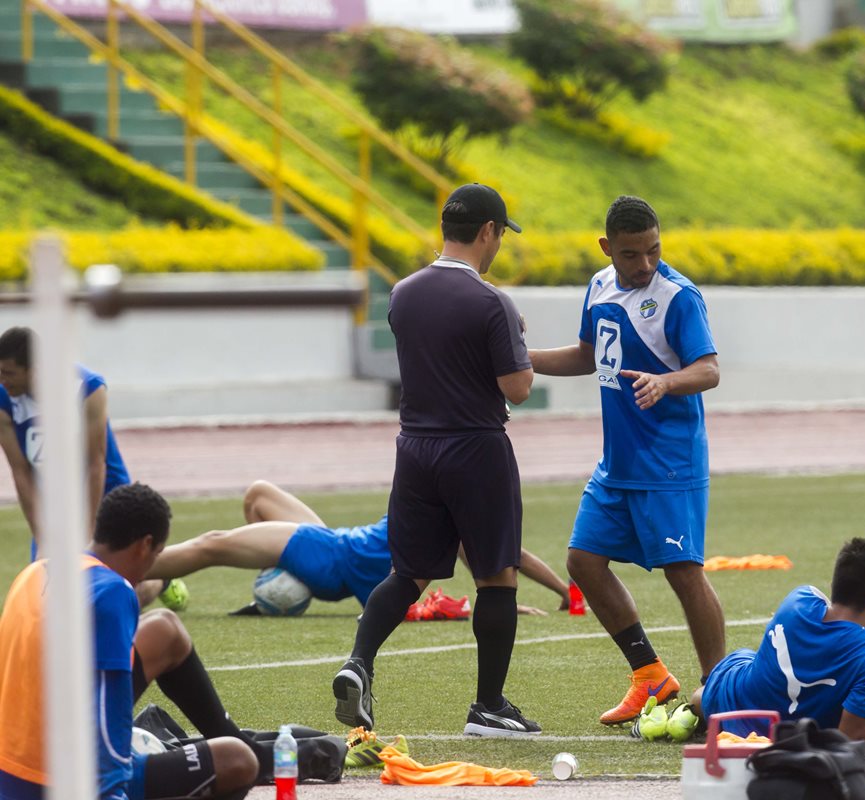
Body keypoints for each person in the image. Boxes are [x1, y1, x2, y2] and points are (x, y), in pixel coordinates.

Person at [331, 183, 540, 737]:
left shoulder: (403, 292)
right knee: (497, 576)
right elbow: (517, 387)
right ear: (489, 231)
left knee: (409, 572)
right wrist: (519, 341)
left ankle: (358, 661)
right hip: (475, 446)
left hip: (415, 447)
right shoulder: (493, 301)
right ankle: (489, 707)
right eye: (500, 235)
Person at [527, 195, 725, 725]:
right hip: (618, 464)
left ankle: (720, 691)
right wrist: (519, 359)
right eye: (632, 254)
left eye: (653, 251)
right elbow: (588, 356)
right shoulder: (598, 285)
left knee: (684, 573)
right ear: (606, 248)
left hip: (669, 463)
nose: (645, 264)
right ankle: (650, 675)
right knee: (583, 562)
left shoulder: (678, 296)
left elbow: (707, 371)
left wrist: (666, 381)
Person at [0, 483, 258, 800]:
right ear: (144, 545)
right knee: (238, 760)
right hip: (62, 783)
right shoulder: (114, 592)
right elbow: (108, 716)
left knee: (164, 628)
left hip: (9, 773)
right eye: (157, 554)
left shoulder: (34, 572)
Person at [145, 479, 572, 615]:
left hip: (328, 560)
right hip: (334, 545)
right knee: (258, 493)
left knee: (210, 545)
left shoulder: (455, 523)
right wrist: (563, 591)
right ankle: (275, 575)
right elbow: (506, 563)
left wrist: (559, 592)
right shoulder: (453, 515)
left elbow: (507, 562)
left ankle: (135, 568)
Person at [684, 538, 865, 747]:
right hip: (781, 737)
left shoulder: (798, 600)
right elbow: (855, 734)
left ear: (835, 583)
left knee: (721, 681)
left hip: (728, 709)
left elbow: (825, 648)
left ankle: (690, 707)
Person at [0, 327, 185, 610]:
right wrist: (42, 535)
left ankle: (158, 579)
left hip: (107, 492)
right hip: (56, 501)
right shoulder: (4, 400)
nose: (2, 380)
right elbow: (21, 473)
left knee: (109, 596)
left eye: (7, 372)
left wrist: (86, 542)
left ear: (35, 370)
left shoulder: (87, 388)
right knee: (44, 599)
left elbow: (95, 464)